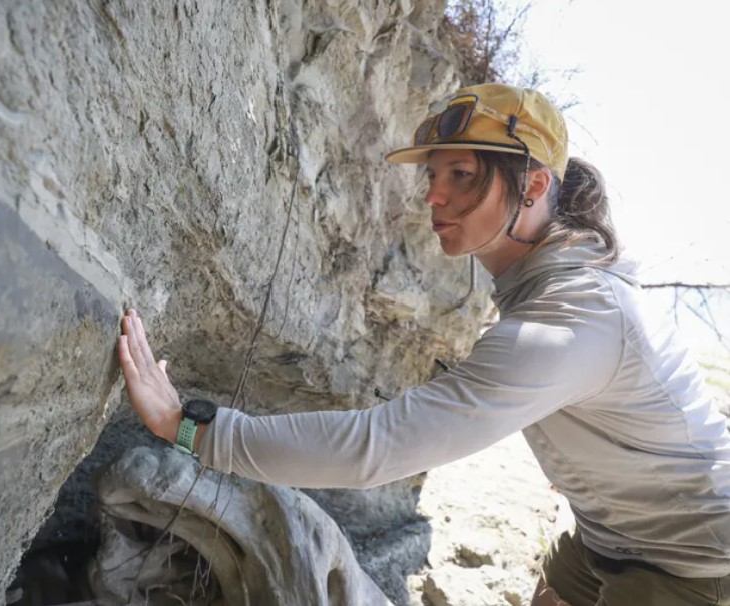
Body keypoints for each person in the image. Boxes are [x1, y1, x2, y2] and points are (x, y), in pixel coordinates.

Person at [116, 83, 730, 605]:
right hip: (608, 533)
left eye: (461, 176)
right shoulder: (551, 293)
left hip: (697, 562)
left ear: (535, 184)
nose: (433, 196)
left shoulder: (575, 316)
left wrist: (189, 427)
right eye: (434, 175)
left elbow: (378, 449)